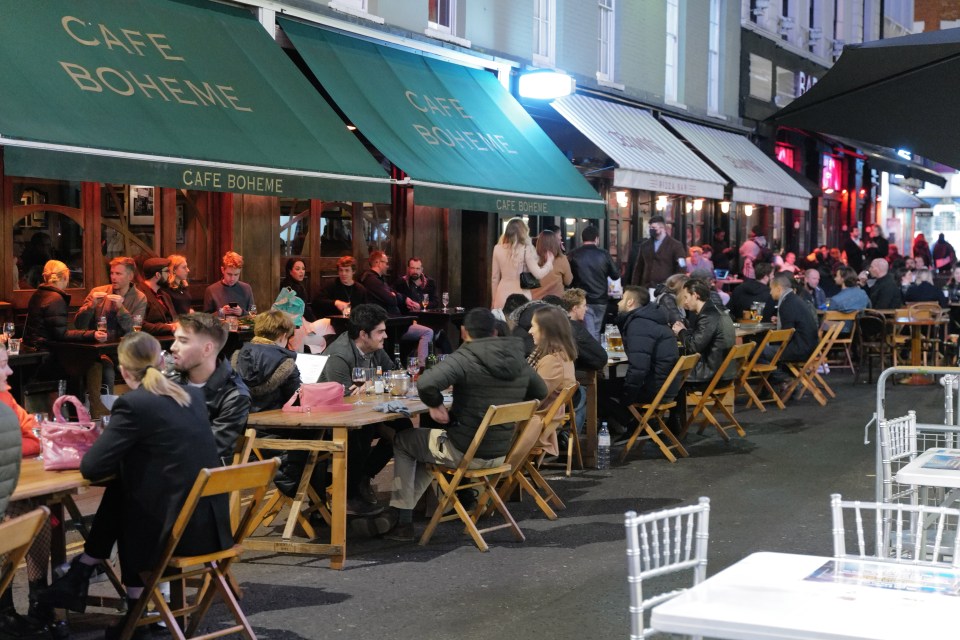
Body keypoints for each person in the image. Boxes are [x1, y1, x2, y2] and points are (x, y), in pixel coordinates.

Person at [40, 333, 232, 639]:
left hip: (176, 535)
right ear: (160, 361)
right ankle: (116, 596)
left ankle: (97, 581)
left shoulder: (134, 403)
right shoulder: (191, 396)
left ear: (124, 371)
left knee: (130, 504)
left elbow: (92, 467)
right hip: (211, 527)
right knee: (126, 492)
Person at [378, 308, 547, 542]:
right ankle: (399, 512)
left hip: (465, 451)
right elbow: (541, 391)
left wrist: (435, 405)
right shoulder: (516, 357)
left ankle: (403, 521)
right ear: (495, 332)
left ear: (465, 332)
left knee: (404, 440)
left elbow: (427, 382)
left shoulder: (466, 355)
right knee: (428, 450)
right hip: (501, 452)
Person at [320, 304, 410, 514]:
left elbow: (395, 375)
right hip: (332, 419)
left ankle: (363, 477)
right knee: (361, 433)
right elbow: (343, 398)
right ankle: (348, 496)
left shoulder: (374, 350)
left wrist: (370, 387)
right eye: (380, 331)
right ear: (363, 334)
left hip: (368, 412)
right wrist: (371, 387)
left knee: (404, 428)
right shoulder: (339, 356)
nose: (385, 336)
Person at [0, 343, 64, 639]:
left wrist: (19, 444)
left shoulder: (5, 397)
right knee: (18, 513)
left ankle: (39, 603)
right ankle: (6, 611)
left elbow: (34, 438)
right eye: (2, 365)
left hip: (11, 488)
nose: (10, 370)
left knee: (37, 510)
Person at [231, 310, 312, 498]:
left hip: (242, 436)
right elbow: (299, 400)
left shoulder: (237, 356)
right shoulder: (285, 361)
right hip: (279, 438)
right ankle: (320, 508)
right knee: (323, 445)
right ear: (284, 335)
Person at [169, 313, 251, 464]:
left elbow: (207, 449)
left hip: (199, 479)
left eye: (183, 341)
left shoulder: (235, 395)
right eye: (175, 339)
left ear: (207, 349)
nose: (173, 347)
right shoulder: (169, 379)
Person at [359, 251, 434, 365]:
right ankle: (421, 368)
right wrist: (396, 297)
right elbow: (391, 299)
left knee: (435, 331)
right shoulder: (371, 280)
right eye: (386, 263)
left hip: (396, 322)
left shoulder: (379, 279)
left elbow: (393, 293)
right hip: (390, 325)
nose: (387, 266)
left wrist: (402, 298)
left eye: (418, 268)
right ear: (378, 263)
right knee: (428, 332)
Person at [23, 260, 108, 352]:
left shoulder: (38, 294)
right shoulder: (56, 299)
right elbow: (61, 334)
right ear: (65, 277)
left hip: (33, 348)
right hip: (46, 352)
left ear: (45, 277)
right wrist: (93, 334)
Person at [526, 306, 577, 456]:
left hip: (530, 427)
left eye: (533, 326)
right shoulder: (563, 356)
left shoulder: (552, 361)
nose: (530, 331)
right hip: (540, 421)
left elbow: (532, 398)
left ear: (546, 330)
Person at [616, 286, 679, 405]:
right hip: (668, 387)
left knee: (600, 391)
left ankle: (632, 421)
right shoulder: (652, 319)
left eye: (622, 299)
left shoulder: (639, 324)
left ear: (630, 302)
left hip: (654, 390)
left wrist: (626, 398)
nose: (618, 303)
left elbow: (639, 368)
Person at [671, 278, 735, 385]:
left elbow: (693, 347)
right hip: (725, 372)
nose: (685, 301)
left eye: (686, 297)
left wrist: (681, 331)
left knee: (670, 373)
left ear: (695, 295)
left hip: (711, 376)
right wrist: (686, 331)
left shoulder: (708, 316)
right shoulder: (717, 311)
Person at [75, 256, 147, 337]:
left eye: (118, 274)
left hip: (124, 346)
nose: (113, 277)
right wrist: (91, 306)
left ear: (130, 276)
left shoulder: (140, 298)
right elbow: (79, 325)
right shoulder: (97, 292)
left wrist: (121, 309)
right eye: (112, 273)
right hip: (98, 345)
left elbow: (134, 331)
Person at [569, 225, 620, 341]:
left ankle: (592, 356)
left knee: (589, 331)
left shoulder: (574, 254)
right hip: (601, 299)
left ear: (582, 239)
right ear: (597, 239)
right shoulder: (604, 254)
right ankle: (596, 355)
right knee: (595, 330)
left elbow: (569, 278)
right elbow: (615, 275)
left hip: (583, 299)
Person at [491, 217, 553, 310]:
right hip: (521, 296)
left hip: (501, 294)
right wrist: (549, 263)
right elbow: (538, 274)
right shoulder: (526, 249)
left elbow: (494, 278)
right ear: (523, 232)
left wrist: (494, 299)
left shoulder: (497, 249)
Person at [767, 273, 819, 366]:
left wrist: (769, 342)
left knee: (756, 352)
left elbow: (785, 334)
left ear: (778, 289)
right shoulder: (794, 299)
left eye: (771, 289)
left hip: (799, 350)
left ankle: (779, 377)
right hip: (809, 346)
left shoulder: (786, 303)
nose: (770, 292)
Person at [631, 216, 685, 289]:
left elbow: (681, 267)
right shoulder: (645, 245)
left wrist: (676, 285)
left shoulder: (675, 245)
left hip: (666, 287)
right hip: (647, 286)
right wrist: (634, 286)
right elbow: (638, 267)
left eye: (653, 228)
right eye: (650, 228)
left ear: (662, 228)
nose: (651, 230)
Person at [203, 251, 254, 316]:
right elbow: (205, 318)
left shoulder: (247, 288)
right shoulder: (211, 290)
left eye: (236, 275)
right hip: (220, 325)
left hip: (242, 325)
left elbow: (253, 314)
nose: (232, 278)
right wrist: (221, 312)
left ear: (240, 271)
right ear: (222, 270)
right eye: (229, 274)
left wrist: (242, 312)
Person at [136, 257, 177, 335]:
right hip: (151, 342)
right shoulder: (139, 294)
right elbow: (140, 325)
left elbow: (174, 319)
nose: (170, 275)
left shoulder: (165, 295)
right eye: (167, 271)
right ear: (158, 275)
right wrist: (169, 327)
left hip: (169, 340)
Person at [531, 230, 572, 299]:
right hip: (556, 302)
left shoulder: (531, 259)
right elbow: (568, 281)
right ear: (555, 243)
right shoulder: (562, 259)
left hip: (535, 302)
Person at [280, 258, 316, 323]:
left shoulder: (299, 285)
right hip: (293, 323)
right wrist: (314, 322)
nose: (301, 271)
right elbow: (301, 308)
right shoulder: (288, 287)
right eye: (297, 269)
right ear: (290, 271)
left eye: (303, 269)